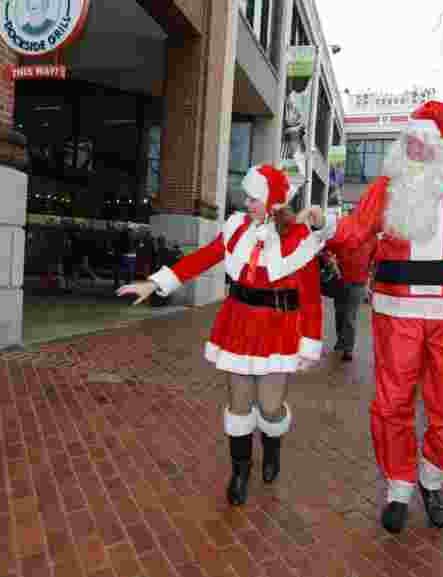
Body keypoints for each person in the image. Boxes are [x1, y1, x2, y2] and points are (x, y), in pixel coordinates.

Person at [305, 100, 443, 533]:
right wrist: (326, 222)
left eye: (424, 142)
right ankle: (399, 487)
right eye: (411, 142)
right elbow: (356, 230)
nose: (416, 150)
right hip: (397, 311)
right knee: (391, 403)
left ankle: (431, 473)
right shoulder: (388, 186)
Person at [118, 164, 324, 507]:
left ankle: (272, 448)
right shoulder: (235, 228)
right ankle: (240, 471)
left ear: (273, 201)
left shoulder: (297, 239)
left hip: (279, 330)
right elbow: (203, 258)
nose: (247, 202)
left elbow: (313, 298)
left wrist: (310, 342)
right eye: (247, 196)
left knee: (271, 408)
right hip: (239, 325)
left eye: (254, 197)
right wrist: (156, 282)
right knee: (239, 406)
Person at [330, 235, 376, 361]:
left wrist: (369, 278)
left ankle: (348, 349)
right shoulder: (342, 233)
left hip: (358, 282)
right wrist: (332, 263)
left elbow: (374, 260)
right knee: (339, 313)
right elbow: (327, 249)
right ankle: (341, 340)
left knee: (350, 316)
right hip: (340, 280)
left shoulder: (371, 239)